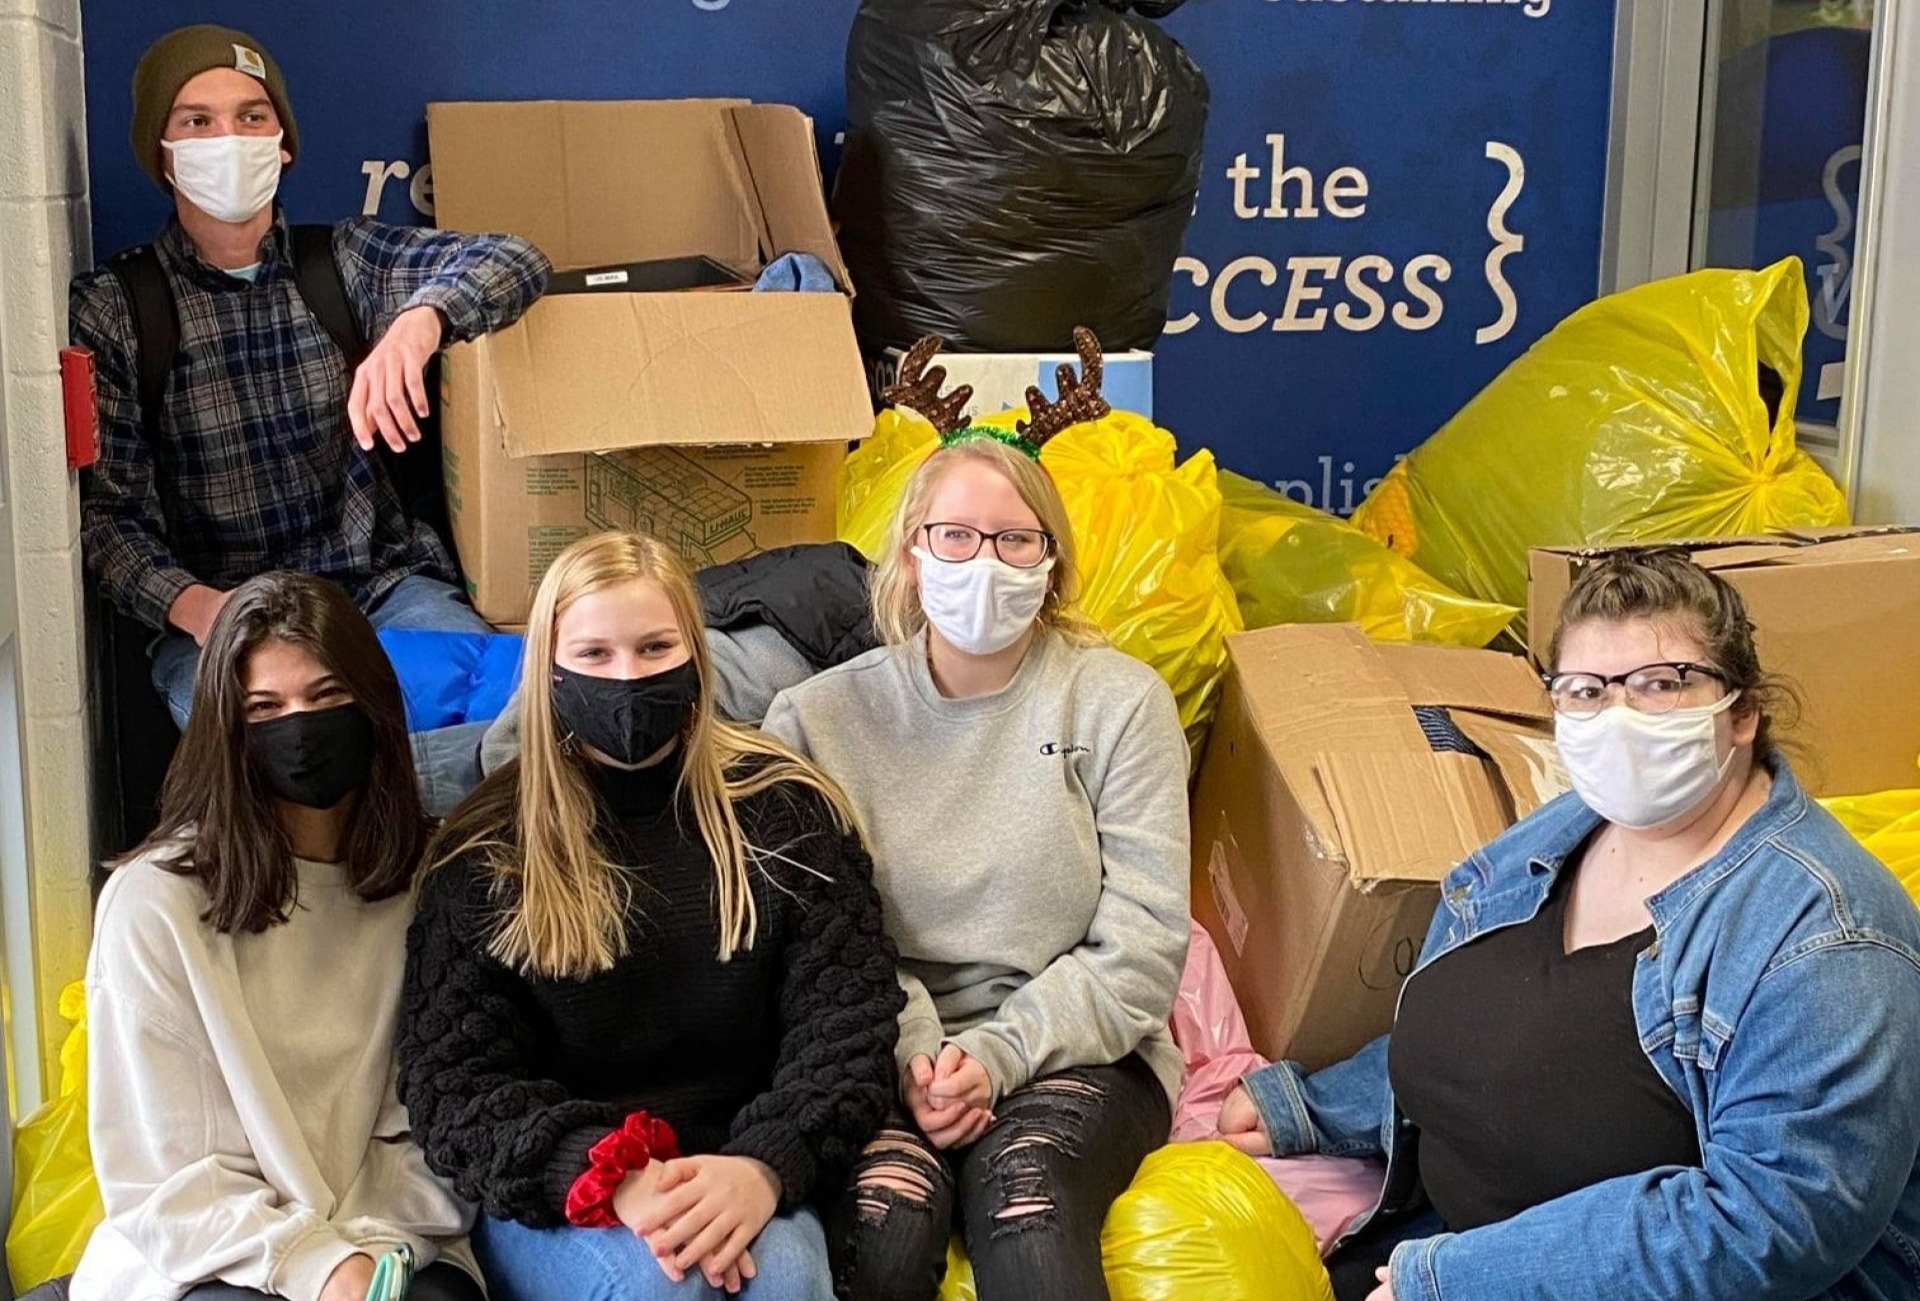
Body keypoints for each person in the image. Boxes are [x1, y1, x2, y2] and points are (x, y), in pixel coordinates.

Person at [1216, 548, 1920, 1301]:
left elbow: (1768, 1225)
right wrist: (1316, 1107)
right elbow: (1489, 1023)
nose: (1618, 718)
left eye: (1660, 683)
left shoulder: (1831, 938)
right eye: (1585, 691)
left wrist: (1457, 1280)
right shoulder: (1567, 830)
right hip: (1431, 1244)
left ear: (1741, 712)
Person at [759, 334, 1192, 1301]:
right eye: (955, 536)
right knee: (889, 1216)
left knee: (1024, 1194)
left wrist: (996, 1055)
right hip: (872, 1045)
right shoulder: (818, 719)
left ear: (1052, 561)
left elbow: (1144, 944)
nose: (983, 562)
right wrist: (921, 1056)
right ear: (911, 554)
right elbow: (822, 944)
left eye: (1013, 539)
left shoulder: (1120, 702)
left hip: (1081, 1049)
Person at [396, 531, 904, 1301]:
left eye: (655, 646)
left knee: (788, 1281)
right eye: (594, 654)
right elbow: (453, 1082)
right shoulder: (486, 848)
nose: (627, 676)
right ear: (551, 675)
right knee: (661, 1292)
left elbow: (848, 1025)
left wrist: (766, 1162)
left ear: (696, 657)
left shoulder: (785, 811)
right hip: (565, 1189)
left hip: (745, 1162)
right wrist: (607, 1173)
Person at [72, 23, 548, 805]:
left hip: (382, 588)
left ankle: (392, 810)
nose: (229, 138)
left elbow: (514, 259)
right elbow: (108, 523)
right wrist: (201, 610)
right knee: (287, 762)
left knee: (523, 721)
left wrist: (422, 319)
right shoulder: (118, 309)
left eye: (252, 117)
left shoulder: (344, 259)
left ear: (284, 142)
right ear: (162, 152)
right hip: (226, 614)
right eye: (197, 121)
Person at [53, 571, 483, 1301]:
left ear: (372, 707)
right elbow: (167, 1172)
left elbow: (435, 1126)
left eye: (325, 698)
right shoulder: (155, 903)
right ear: (226, 728)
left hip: (393, 1238)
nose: (301, 728)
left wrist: (367, 1257)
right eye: (265, 708)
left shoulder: (430, 881)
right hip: (210, 1254)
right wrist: (311, 1264)